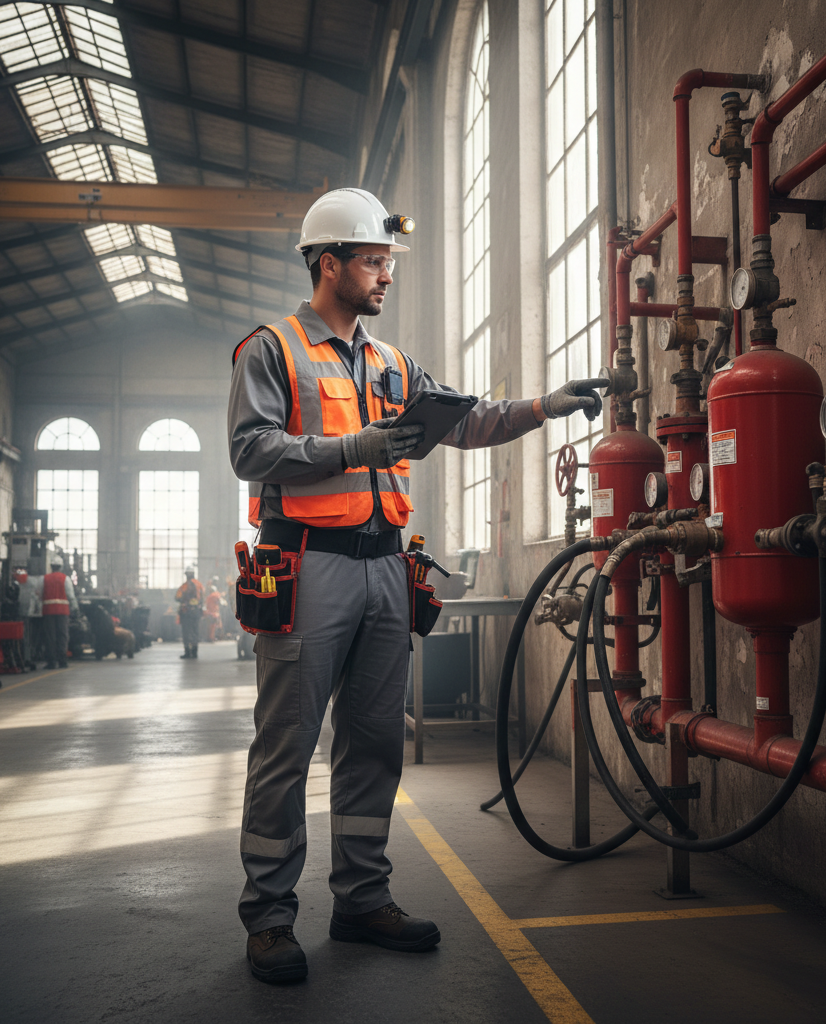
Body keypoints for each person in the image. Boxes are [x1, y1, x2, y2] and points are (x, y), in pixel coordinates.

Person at [228, 187, 606, 984]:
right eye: (373, 261)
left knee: (374, 743)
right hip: (308, 566)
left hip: (384, 570)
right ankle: (269, 918)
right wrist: (351, 449)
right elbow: (251, 450)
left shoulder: (393, 364)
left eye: (387, 261)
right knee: (286, 748)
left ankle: (363, 900)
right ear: (329, 264)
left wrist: (545, 406)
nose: (386, 275)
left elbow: (465, 420)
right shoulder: (272, 350)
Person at [41, 554, 78, 669]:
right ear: (61, 567)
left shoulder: (45, 579)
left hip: (48, 611)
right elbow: (71, 596)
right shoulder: (65, 579)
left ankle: (51, 662)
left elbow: (40, 594)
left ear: (51, 566)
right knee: (62, 636)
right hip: (63, 612)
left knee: (50, 637)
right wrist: (75, 608)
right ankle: (62, 661)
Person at [174, 567, 204, 659]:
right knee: (195, 632)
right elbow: (202, 598)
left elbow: (177, 597)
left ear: (186, 575)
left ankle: (187, 652)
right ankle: (194, 652)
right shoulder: (200, 585)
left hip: (186, 612)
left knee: (186, 632)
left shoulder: (185, 586)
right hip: (196, 612)